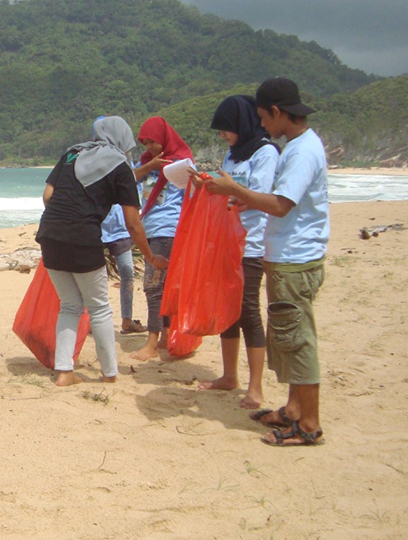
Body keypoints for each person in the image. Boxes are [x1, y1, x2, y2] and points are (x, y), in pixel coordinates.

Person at [196, 78, 329, 446]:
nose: (263, 126)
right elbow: (275, 200)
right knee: (286, 337)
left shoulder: (299, 152)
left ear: (276, 111)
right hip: (287, 254)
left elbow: (281, 205)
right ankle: (293, 409)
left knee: (296, 340)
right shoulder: (297, 147)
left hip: (294, 257)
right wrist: (241, 198)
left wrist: (235, 191)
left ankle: (308, 424)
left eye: (264, 118)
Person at [36, 116, 167, 387]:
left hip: (49, 235)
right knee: (99, 308)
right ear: (123, 137)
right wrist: (151, 256)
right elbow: (133, 222)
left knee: (70, 306)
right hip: (82, 238)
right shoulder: (120, 165)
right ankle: (109, 374)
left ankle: (64, 372)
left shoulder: (73, 153)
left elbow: (48, 196)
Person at [197, 95, 279, 409]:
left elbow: (257, 196)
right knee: (226, 312)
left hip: (252, 243)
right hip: (226, 242)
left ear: (242, 124)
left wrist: (226, 188)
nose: (222, 136)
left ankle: (255, 387)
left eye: (226, 129)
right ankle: (229, 376)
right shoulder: (233, 155)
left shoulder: (266, 152)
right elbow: (229, 191)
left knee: (247, 312)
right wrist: (206, 184)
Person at [129, 117, 193, 361]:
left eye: (152, 142)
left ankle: (152, 342)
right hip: (150, 228)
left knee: (153, 286)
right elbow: (128, 179)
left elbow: (194, 193)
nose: (149, 147)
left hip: (167, 229)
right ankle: (165, 335)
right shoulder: (146, 162)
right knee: (162, 286)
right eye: (144, 143)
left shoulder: (180, 163)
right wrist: (151, 165)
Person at [101, 203, 145, 334]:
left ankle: (127, 321)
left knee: (127, 275)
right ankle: (95, 320)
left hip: (121, 231)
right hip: (97, 229)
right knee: (96, 277)